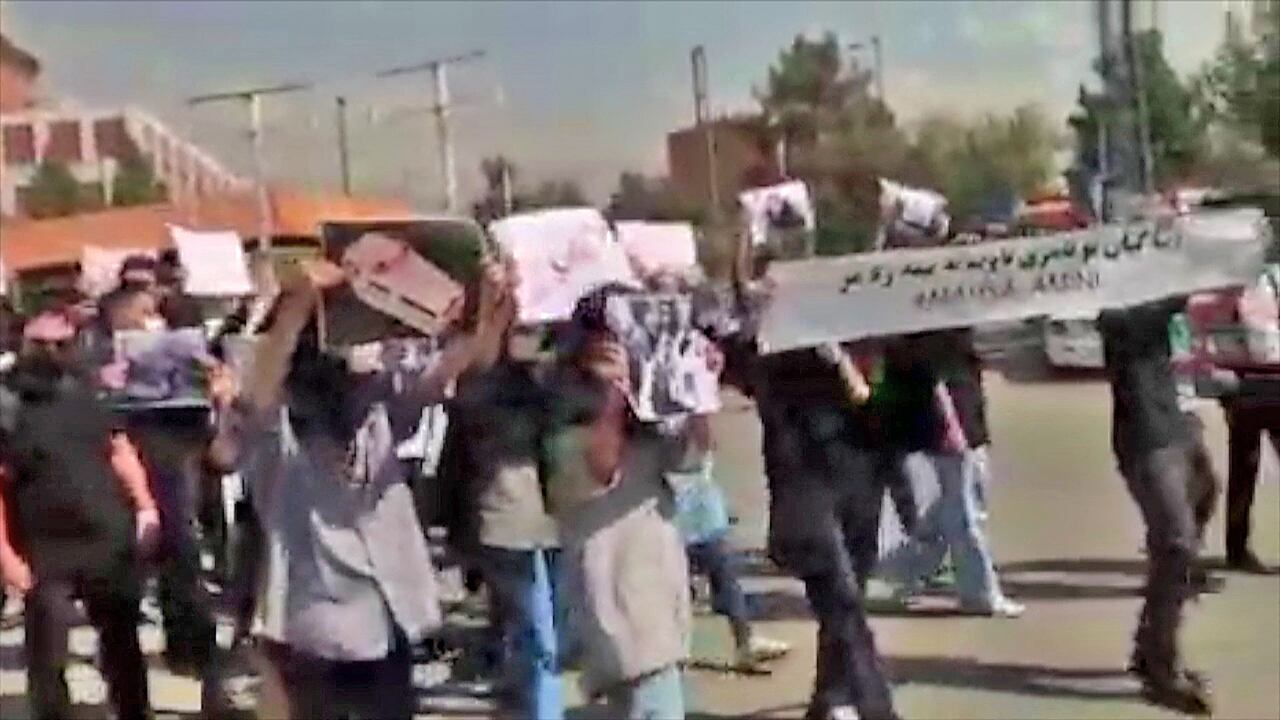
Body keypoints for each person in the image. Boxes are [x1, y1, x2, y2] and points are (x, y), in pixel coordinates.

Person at [207, 257, 509, 720]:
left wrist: (491, 306)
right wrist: (297, 310)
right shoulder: (278, 426)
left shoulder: (378, 412)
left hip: (386, 622)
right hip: (312, 631)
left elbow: (458, 363)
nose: (366, 360)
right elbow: (246, 413)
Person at [540, 285, 693, 719]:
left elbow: (692, 457)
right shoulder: (562, 402)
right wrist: (611, 392)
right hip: (609, 588)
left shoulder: (647, 405)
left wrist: (695, 388)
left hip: (658, 587)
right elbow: (597, 469)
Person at [0, 310, 159, 720]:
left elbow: (120, 451)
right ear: (24, 346)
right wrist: (6, 557)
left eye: (62, 344)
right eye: (44, 344)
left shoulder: (89, 393)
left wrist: (144, 507)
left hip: (107, 536)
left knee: (123, 645)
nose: (54, 352)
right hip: (43, 546)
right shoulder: (7, 404)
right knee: (48, 653)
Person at [439, 302, 568, 719]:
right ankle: (536, 708)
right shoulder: (481, 389)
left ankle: (520, 696)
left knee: (538, 630)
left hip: (547, 522)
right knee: (537, 635)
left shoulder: (546, 382)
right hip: (507, 522)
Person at [1099, 297, 1212, 715]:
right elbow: (1167, 298)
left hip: (1176, 427)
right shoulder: (1118, 311)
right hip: (1147, 438)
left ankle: (1150, 649)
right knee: (1176, 545)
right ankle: (1160, 669)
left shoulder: (1150, 303)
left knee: (1200, 507)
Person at [876, 329, 1025, 618]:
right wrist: (952, 424)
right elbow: (933, 368)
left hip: (953, 414)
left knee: (950, 508)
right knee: (966, 511)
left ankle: (898, 574)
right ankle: (980, 592)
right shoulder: (936, 321)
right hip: (952, 419)